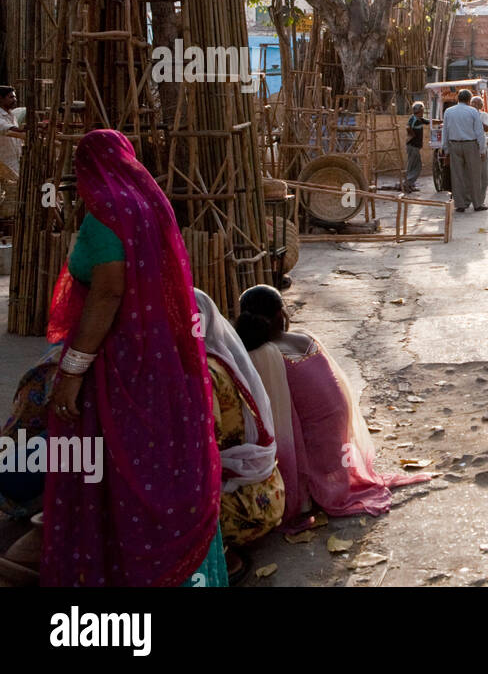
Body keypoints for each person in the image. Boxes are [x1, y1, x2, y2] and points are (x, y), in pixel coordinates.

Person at [42, 129, 225, 587]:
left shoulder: (105, 216)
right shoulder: (149, 206)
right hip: (164, 363)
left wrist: (71, 371)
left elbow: (106, 293)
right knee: (163, 465)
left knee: (118, 471)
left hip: (119, 367)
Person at [235, 285, 433, 531]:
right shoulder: (305, 337)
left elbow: (271, 413)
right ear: (281, 315)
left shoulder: (265, 354)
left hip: (318, 439)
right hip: (337, 433)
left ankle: (303, 491)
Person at [193, 290, 285, 557]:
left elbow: (206, 443)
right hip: (268, 490)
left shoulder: (205, 373)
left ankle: (222, 558)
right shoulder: (225, 358)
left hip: (246, 510)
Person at [443, 89, 486, 212]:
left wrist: (446, 150)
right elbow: (479, 132)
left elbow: (445, 131)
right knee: (474, 175)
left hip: (454, 145)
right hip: (471, 145)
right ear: (469, 100)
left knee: (457, 176)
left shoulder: (448, 111)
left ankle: (460, 204)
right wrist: (482, 150)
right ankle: (477, 204)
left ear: (458, 99)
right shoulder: (473, 111)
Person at [404, 101, 433, 193]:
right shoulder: (414, 119)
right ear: (420, 111)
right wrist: (412, 135)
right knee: (416, 166)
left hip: (413, 146)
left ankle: (410, 184)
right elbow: (408, 127)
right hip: (413, 146)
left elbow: (429, 122)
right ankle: (408, 183)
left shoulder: (418, 119)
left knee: (412, 165)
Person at [470, 95, 488, 205]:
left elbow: (486, 128)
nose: (474, 105)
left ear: (481, 106)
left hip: (480, 144)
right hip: (470, 144)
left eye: (476, 103)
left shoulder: (483, 115)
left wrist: (477, 120)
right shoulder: (466, 114)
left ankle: (479, 200)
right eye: (472, 103)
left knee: (482, 174)